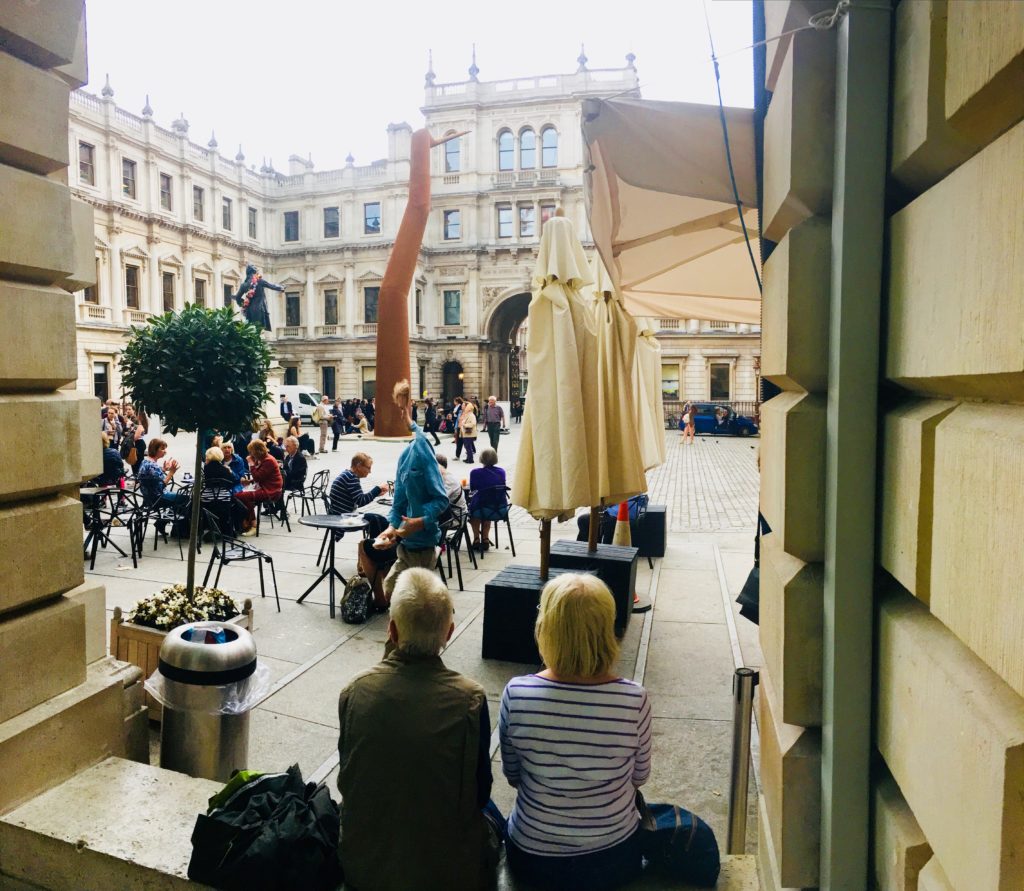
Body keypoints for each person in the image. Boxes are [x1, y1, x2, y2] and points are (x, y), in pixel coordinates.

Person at [336, 568, 501, 891]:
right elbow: (480, 792)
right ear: (449, 632)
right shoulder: (470, 699)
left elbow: (350, 775)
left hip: (364, 867)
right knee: (497, 816)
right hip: (446, 873)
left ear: (392, 630)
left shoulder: (355, 691)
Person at [499, 573, 652, 891]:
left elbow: (513, 776)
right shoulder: (633, 699)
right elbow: (639, 777)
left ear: (547, 629)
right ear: (608, 630)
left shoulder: (517, 693)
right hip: (613, 855)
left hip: (532, 855)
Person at [362, 380, 450, 611]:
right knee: (394, 592)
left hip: (423, 546)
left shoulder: (421, 448)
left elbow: (441, 500)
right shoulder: (403, 456)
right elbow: (399, 502)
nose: (396, 416)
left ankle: (420, 635)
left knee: (415, 602)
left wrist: (420, 522)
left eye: (401, 410)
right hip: (406, 545)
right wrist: (390, 530)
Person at [328, 452, 390, 538]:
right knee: (378, 520)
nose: (370, 471)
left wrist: (376, 494)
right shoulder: (351, 478)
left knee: (378, 519)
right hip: (342, 518)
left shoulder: (348, 475)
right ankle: (374, 548)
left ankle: (372, 546)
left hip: (338, 514)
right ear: (359, 466)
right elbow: (361, 501)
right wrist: (377, 489)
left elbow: (357, 499)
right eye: (368, 468)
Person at [235, 439, 282, 535]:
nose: (250, 454)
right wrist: (249, 481)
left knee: (243, 497)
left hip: (270, 490)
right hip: (264, 487)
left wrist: (251, 464)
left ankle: (253, 524)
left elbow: (257, 477)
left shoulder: (268, 460)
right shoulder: (262, 459)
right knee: (238, 495)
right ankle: (246, 522)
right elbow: (261, 477)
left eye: (251, 451)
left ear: (257, 451)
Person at [202, 446, 248, 534]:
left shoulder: (205, 468)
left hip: (206, 498)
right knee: (241, 507)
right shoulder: (225, 469)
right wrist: (230, 471)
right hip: (224, 498)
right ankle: (233, 528)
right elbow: (232, 482)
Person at [468, 448, 506, 551]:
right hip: (500, 509)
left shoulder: (475, 472)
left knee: (475, 509)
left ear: (481, 458)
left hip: (482, 510)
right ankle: (485, 538)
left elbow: (473, 489)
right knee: (488, 503)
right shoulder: (501, 472)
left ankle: (476, 538)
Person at [575, 494, 649, 545]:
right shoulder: (634, 485)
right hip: (623, 516)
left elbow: (609, 504)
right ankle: (589, 546)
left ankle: (601, 549)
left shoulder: (623, 487)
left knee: (589, 521)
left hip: (619, 518)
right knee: (584, 519)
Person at [232, 263, 284, 331]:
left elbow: (237, 298)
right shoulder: (260, 281)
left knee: (251, 330)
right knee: (257, 331)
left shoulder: (243, 285)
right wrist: (281, 288)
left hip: (249, 311)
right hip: (260, 309)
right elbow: (271, 286)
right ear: (254, 272)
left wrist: (242, 304)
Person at [136, 438, 186, 508]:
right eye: (162, 449)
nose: (165, 451)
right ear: (155, 450)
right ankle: (184, 518)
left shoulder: (145, 461)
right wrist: (171, 472)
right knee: (187, 498)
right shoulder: (153, 466)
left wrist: (163, 469)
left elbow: (153, 478)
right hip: (158, 498)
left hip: (148, 497)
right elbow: (161, 486)